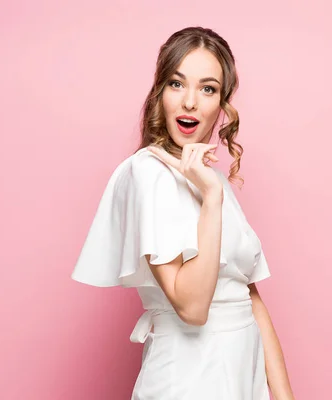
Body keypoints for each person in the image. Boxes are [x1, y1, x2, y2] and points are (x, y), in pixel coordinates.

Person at [71, 26, 294, 400]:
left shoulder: (212, 180)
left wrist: (284, 396)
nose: (190, 102)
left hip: (242, 376)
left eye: (207, 88)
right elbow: (192, 308)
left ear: (221, 104)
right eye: (177, 84)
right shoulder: (147, 174)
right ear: (160, 93)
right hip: (188, 379)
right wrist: (210, 200)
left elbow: (250, 295)